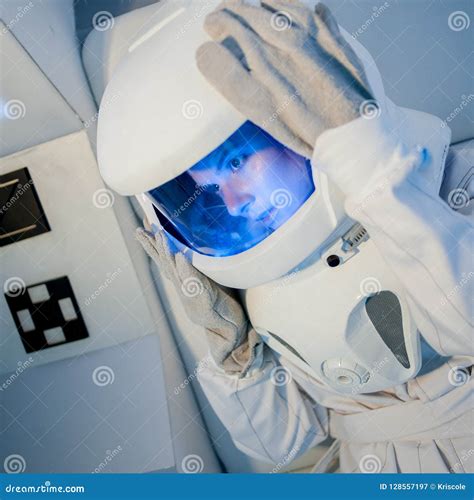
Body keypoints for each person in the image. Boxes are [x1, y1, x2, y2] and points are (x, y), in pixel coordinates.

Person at [98, 0, 473, 472]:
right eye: (211, 188)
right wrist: (236, 356)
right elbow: (278, 444)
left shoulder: (454, 184)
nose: (232, 202)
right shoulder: (266, 290)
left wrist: (369, 168)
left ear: (308, 115)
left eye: (237, 164)